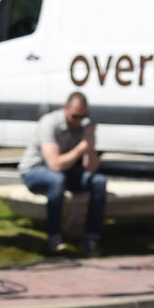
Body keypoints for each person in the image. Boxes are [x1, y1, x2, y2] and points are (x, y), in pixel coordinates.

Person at [18, 91, 107, 254]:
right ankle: (54, 238)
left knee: (99, 181)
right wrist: (81, 147)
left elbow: (91, 169)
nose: (78, 121)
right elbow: (55, 165)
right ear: (65, 109)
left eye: (83, 116)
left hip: (65, 170)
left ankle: (90, 239)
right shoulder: (49, 123)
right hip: (34, 170)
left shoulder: (83, 127)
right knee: (57, 180)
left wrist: (89, 142)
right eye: (75, 116)